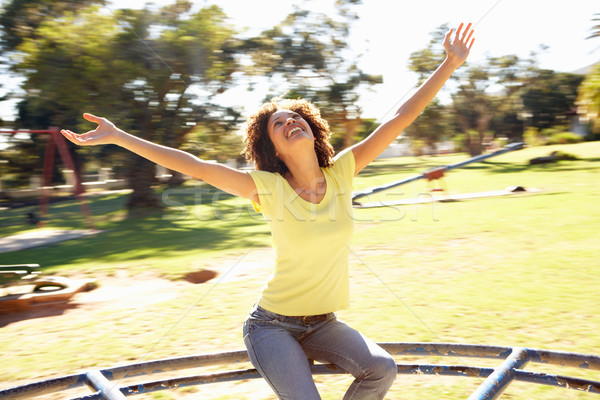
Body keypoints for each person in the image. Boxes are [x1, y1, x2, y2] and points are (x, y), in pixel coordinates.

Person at [62, 23, 474, 400]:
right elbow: (194, 165)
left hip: (323, 323)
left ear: (313, 129)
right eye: (279, 124)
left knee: (381, 369)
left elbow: (401, 117)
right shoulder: (268, 188)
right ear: (272, 149)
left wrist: (449, 64)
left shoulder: (344, 170)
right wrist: (119, 137)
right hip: (272, 326)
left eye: (296, 117)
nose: (290, 121)